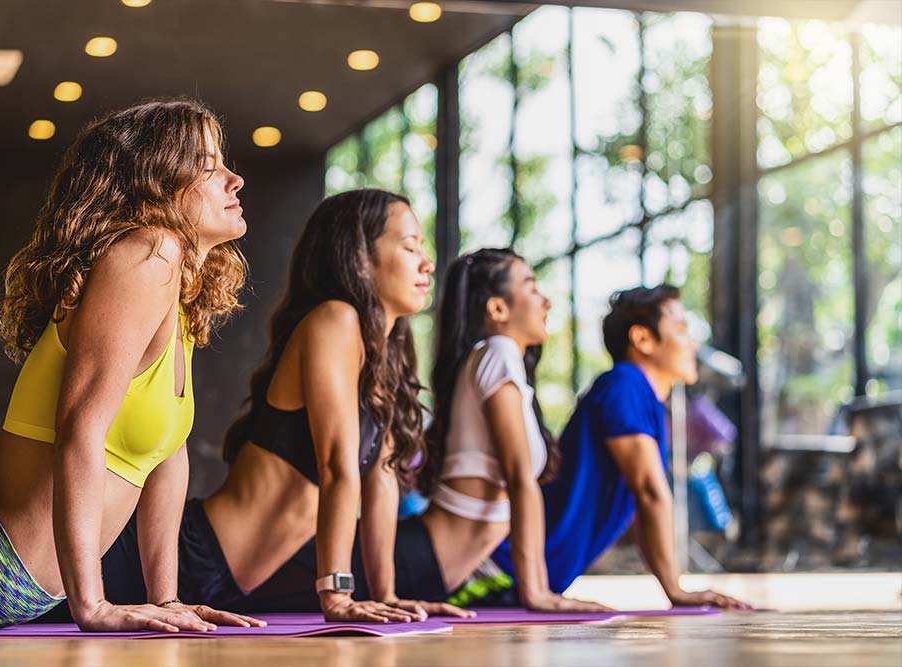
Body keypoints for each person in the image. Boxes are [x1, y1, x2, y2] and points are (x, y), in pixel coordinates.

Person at [0, 99, 263, 632]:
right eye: (208, 166)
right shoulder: (150, 254)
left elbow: (166, 456)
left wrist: (167, 600)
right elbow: (81, 429)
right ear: (157, 183)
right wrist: (90, 606)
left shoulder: (179, 295)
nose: (233, 179)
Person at [100, 189, 463, 622]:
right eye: (409, 246)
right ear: (361, 256)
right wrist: (337, 594)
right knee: (30, 605)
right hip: (182, 556)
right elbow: (337, 467)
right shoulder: (334, 319)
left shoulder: (383, 354)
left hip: (226, 585)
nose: (428, 262)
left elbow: (381, 480)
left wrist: (387, 594)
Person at [240, 248, 608, 613]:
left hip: (427, 563)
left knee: (253, 583)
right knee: (243, 586)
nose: (545, 300)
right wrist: (537, 592)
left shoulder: (493, 359)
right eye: (531, 286)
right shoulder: (498, 352)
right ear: (497, 309)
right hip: (418, 560)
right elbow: (519, 480)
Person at [489, 285, 751, 609]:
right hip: (492, 571)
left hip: (520, 574)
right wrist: (676, 590)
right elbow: (649, 491)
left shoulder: (640, 394)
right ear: (642, 339)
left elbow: (645, 499)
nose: (692, 344)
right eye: (681, 329)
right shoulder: (625, 384)